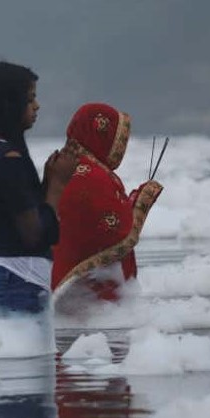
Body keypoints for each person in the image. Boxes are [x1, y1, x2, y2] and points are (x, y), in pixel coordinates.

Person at [0, 61, 76, 316]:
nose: (37, 106)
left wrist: (48, 181)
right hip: (18, 281)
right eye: (30, 99)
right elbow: (33, 234)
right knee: (25, 356)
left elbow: (19, 218)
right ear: (8, 104)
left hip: (11, 279)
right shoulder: (7, 158)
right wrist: (57, 186)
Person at [51, 103, 163, 312]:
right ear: (101, 136)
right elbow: (115, 232)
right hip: (87, 300)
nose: (121, 148)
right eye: (118, 140)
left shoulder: (68, 164)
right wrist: (142, 201)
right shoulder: (93, 175)